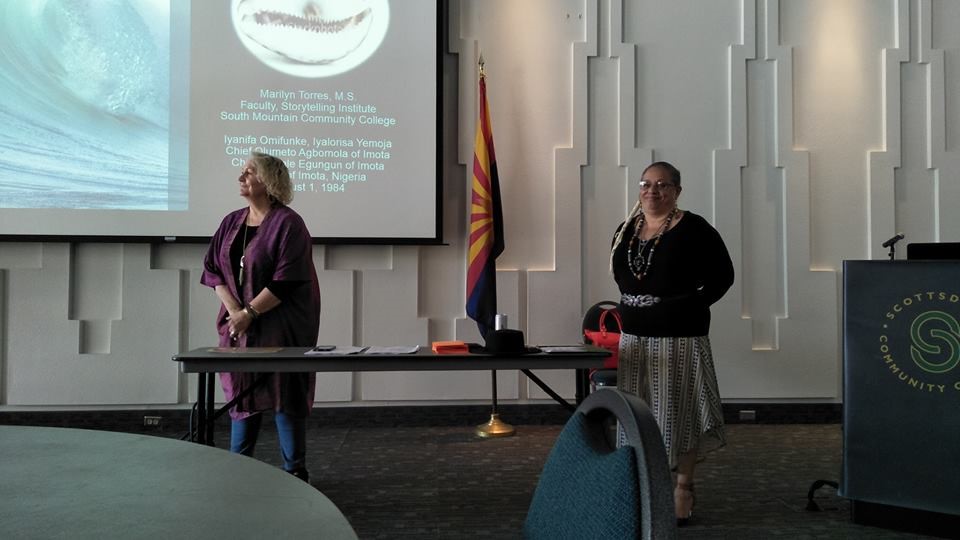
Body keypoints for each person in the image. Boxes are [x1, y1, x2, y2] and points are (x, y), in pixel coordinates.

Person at [609, 161, 734, 526]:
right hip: (634, 337)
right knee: (638, 413)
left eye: (662, 185)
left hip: (679, 336)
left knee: (680, 413)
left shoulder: (695, 229)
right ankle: (640, 484)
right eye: (646, 184)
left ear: (677, 191)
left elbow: (723, 277)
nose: (653, 191)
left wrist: (688, 305)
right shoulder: (626, 230)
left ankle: (683, 486)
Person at [201, 151, 322, 482]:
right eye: (242, 172)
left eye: (249, 172)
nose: (241, 178)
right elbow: (213, 271)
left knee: (285, 392)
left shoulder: (288, 224)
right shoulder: (231, 222)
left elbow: (288, 279)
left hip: (281, 326)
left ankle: (295, 472)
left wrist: (250, 312)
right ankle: (239, 470)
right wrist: (235, 313)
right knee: (243, 392)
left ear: (268, 181)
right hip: (240, 326)